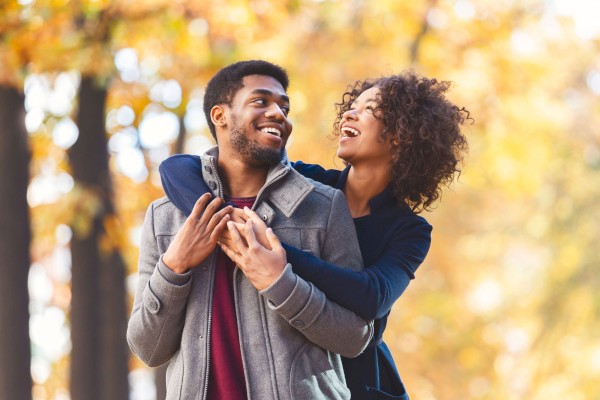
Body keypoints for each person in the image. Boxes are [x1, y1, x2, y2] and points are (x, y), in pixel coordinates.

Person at [160, 70, 470, 399]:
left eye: (370, 109)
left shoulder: (410, 230)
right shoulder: (308, 186)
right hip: (291, 370)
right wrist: (225, 222)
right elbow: (177, 168)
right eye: (353, 105)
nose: (350, 112)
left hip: (359, 377)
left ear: (400, 136)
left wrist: (272, 253)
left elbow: (373, 296)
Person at [127, 60, 374, 400]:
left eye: (284, 107)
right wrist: (174, 267)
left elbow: (354, 337)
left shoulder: (323, 206)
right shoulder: (165, 217)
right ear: (220, 115)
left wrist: (280, 284)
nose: (278, 114)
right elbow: (147, 349)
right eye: (261, 101)